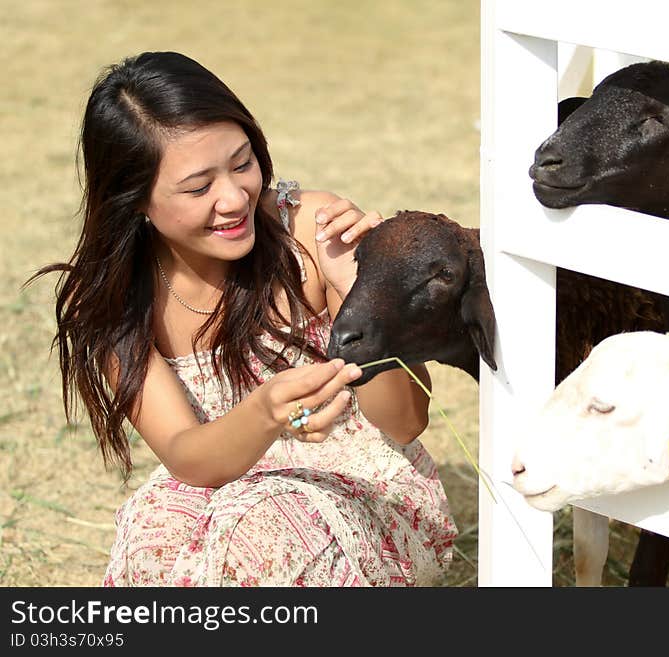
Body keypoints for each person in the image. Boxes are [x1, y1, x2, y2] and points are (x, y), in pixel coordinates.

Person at [33, 51, 457, 586]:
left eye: (241, 164)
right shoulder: (118, 307)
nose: (234, 198)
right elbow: (190, 458)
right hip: (214, 490)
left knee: (267, 532)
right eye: (197, 187)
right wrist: (265, 412)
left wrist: (363, 291)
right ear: (134, 200)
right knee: (152, 541)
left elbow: (405, 421)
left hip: (357, 488)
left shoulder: (310, 230)